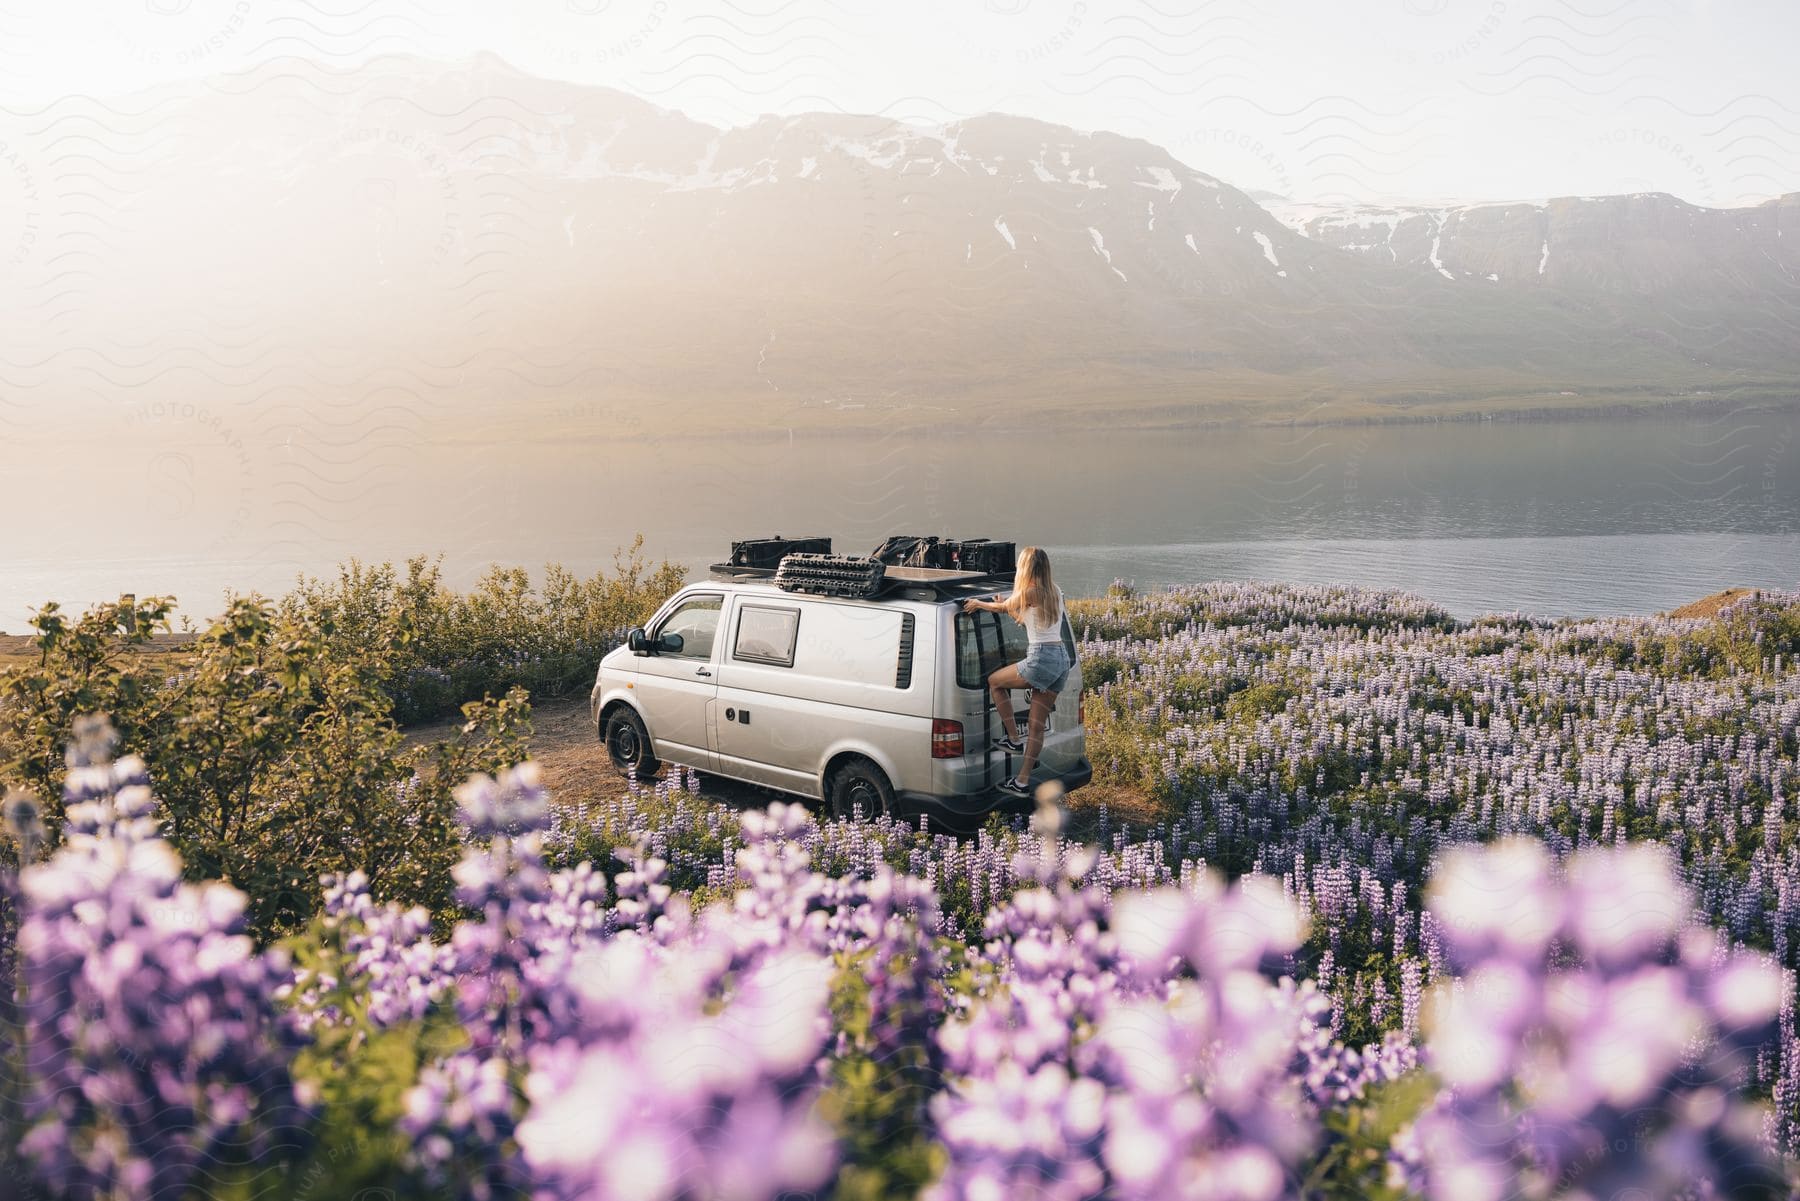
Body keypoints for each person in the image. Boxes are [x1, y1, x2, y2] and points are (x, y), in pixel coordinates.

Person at [958, 546, 1072, 797]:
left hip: (1042, 657)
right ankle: (1022, 781)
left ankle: (1012, 738)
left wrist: (979, 603)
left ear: (1027, 568)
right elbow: (1023, 619)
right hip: (1060, 659)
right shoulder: (1054, 591)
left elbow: (1002, 609)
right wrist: (1007, 606)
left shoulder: (1030, 591)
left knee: (995, 682)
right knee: (1036, 726)